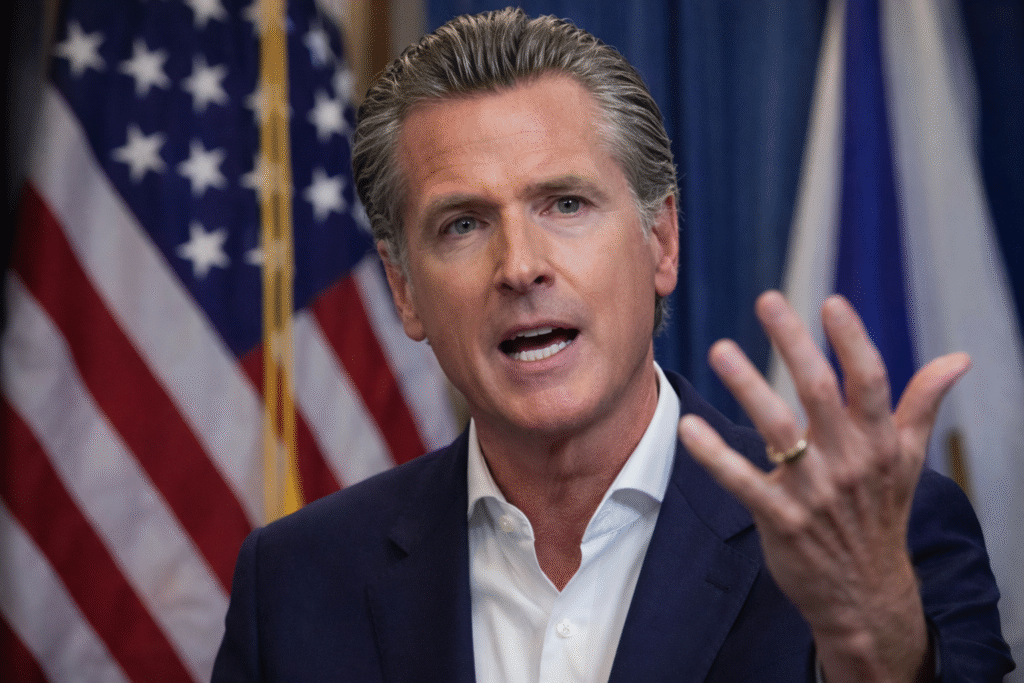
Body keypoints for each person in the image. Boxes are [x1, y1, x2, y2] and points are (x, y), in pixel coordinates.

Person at [212, 8, 1014, 682]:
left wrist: (876, 645)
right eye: (462, 225)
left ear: (660, 241)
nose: (519, 266)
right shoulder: (294, 580)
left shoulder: (883, 540)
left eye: (565, 204)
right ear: (403, 290)